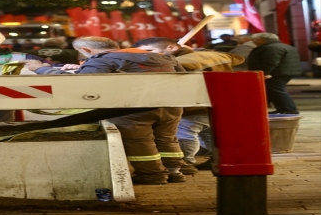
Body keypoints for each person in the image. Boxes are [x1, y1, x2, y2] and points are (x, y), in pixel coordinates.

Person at [25, 36, 188, 185]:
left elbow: (79, 84)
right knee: (166, 137)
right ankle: (175, 172)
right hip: (170, 105)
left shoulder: (101, 60)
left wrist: (40, 69)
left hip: (130, 108)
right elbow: (183, 78)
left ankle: (153, 175)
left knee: (139, 141)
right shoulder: (162, 57)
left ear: (86, 50)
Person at [133, 37, 245, 172]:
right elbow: (238, 58)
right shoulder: (210, 55)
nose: (147, 54)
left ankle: (186, 162)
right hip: (215, 102)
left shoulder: (179, 61)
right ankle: (222, 158)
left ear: (172, 48)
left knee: (185, 134)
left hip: (193, 104)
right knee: (208, 134)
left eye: (150, 50)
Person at [248, 32, 302, 114]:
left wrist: (264, 73)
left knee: (277, 90)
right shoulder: (282, 46)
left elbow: (270, 62)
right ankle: (283, 109)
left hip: (277, 73)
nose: (253, 42)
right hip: (284, 71)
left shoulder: (271, 48)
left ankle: (289, 109)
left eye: (254, 40)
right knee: (275, 90)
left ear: (261, 40)